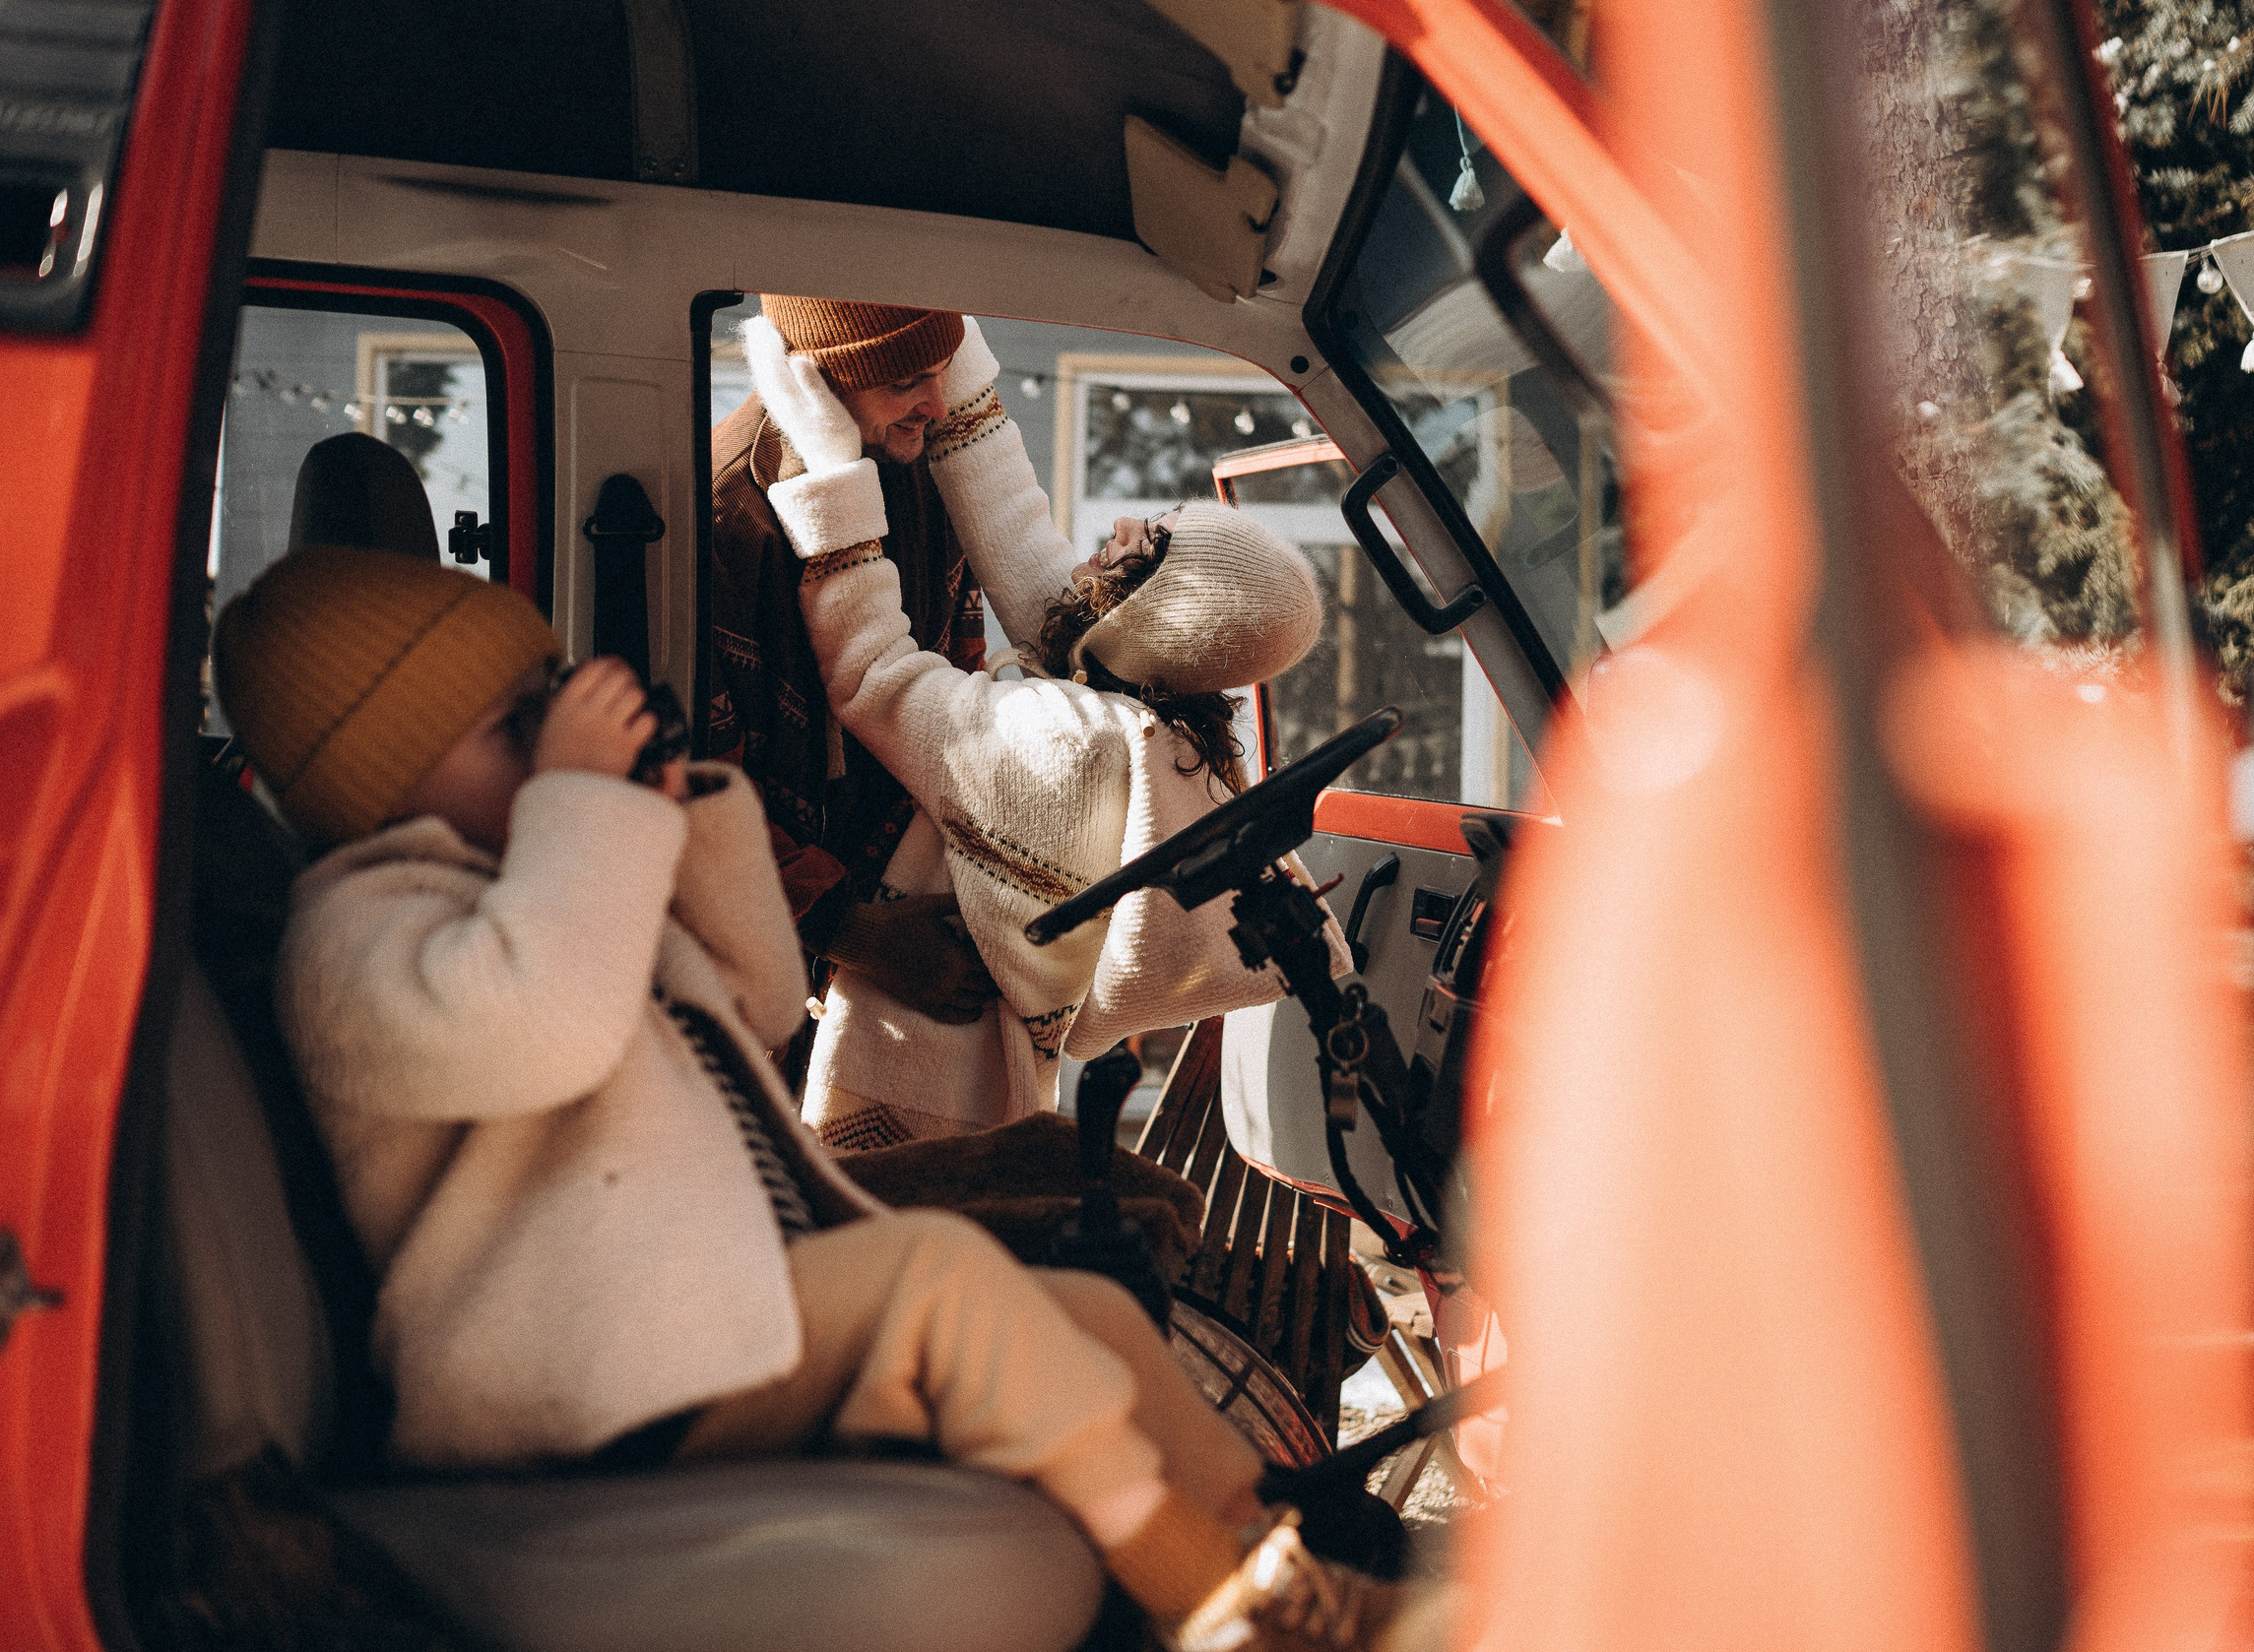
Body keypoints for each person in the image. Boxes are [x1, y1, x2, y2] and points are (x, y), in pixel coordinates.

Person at [210, 545, 1402, 1652]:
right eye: (503, 727)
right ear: (381, 780)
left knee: (1086, 1310)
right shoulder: (359, 929)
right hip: (555, 1390)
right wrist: (582, 803)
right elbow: (549, 1028)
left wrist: (692, 814)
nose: (543, 745)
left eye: (547, 701)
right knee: (940, 1281)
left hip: (671, 1333)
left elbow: (758, 1003)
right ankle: (1211, 1596)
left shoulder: (537, 885)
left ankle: (1267, 1546)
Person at [737, 316, 1347, 1149]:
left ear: (1154, 614)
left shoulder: (1064, 740)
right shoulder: (1144, 717)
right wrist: (956, 342)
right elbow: (1028, 551)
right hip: (987, 1086)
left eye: (1150, 542)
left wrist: (833, 470)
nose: (1121, 531)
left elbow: (875, 674)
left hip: (909, 1082)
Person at [709, 297, 999, 1043]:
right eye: (906, 380)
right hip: (757, 962)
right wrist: (854, 933)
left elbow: (960, 661)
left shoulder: (925, 458)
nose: (935, 404)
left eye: (942, 373)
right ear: (820, 378)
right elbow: (696, 787)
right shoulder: (730, 518)